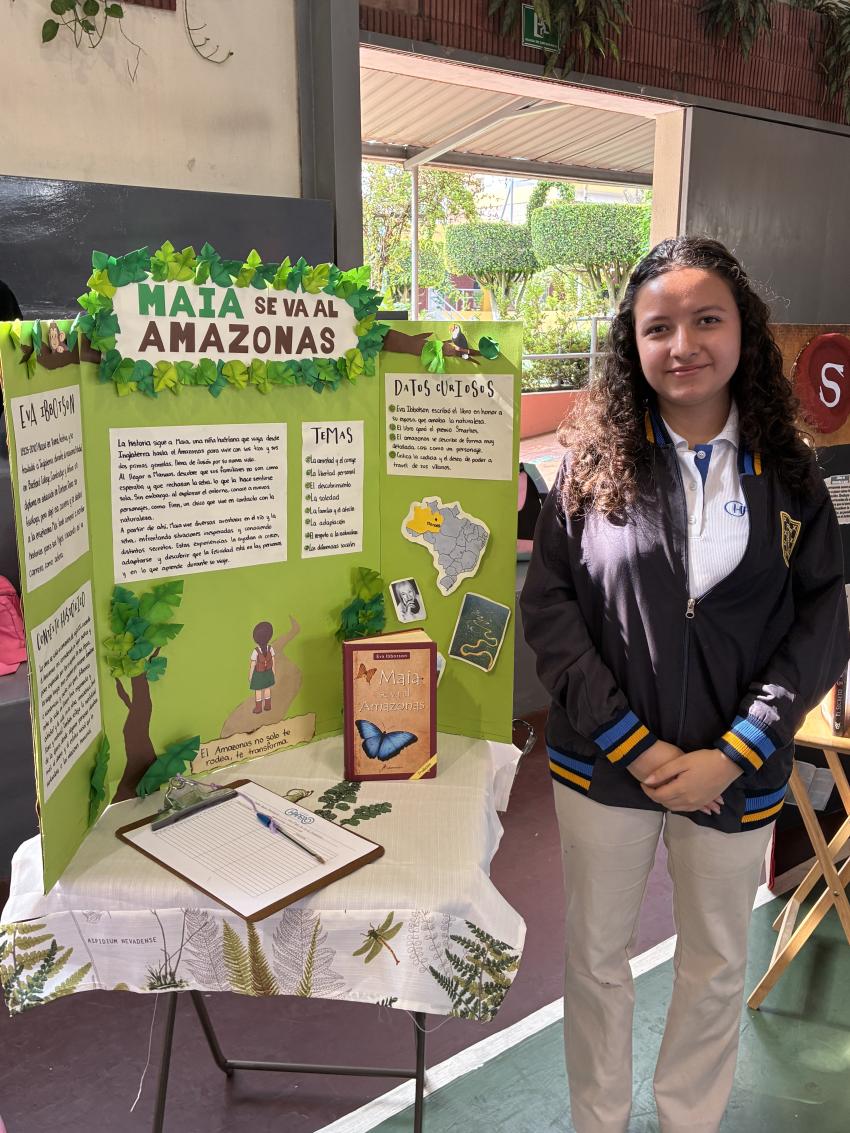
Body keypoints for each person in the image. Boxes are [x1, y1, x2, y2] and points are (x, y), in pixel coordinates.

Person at [520, 235, 849, 1133]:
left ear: (743, 329)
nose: (683, 344)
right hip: (604, 763)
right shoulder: (592, 463)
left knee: (714, 963)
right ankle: (598, 1120)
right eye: (657, 327)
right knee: (595, 960)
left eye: (707, 319)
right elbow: (551, 609)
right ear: (632, 343)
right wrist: (633, 742)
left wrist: (735, 750)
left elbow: (821, 619)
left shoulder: (790, 472)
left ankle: (688, 1120)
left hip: (736, 770)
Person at [248, 621, 276, 714]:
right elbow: (273, 661)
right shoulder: (270, 648)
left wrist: (250, 676)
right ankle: (268, 705)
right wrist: (273, 671)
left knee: (258, 691)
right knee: (267, 688)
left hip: (259, 674)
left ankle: (258, 708)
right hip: (268, 672)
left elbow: (253, 664)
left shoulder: (256, 651)